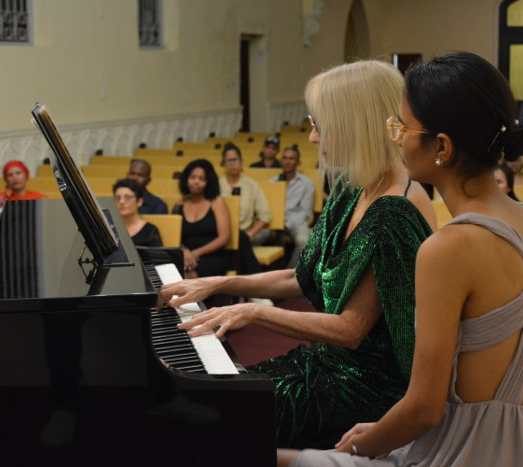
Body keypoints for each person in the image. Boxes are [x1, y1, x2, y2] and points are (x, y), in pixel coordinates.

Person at [284, 52, 523, 466]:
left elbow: (424, 410)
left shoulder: (448, 247)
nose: (395, 139)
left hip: (468, 450)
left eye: (401, 127)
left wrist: (360, 446)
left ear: (442, 147)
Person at [160, 60, 436, 450]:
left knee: (223, 419)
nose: (311, 136)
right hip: (330, 364)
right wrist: (219, 282)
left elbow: (351, 330)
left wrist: (254, 312)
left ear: (353, 126)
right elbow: (300, 276)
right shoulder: (354, 188)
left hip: (364, 386)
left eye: (319, 124)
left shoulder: (394, 209)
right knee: (217, 398)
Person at [218, 142, 271, 276]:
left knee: (241, 238)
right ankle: (256, 282)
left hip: (244, 234)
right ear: (223, 163)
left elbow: (265, 215)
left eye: (235, 160)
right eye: (228, 160)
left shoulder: (251, 185)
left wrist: (251, 234)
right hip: (220, 235)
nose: (232, 164)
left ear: (241, 161)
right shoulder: (217, 185)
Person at [172, 159, 230, 279]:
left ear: (209, 182)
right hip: (185, 255)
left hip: (212, 255)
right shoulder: (179, 205)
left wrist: (195, 254)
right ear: (186, 179)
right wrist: (184, 252)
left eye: (202, 179)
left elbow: (224, 238)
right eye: (192, 177)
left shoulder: (216, 201)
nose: (196, 182)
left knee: (191, 274)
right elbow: (173, 236)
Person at [267, 144, 315, 268]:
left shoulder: (307, 183)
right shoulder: (272, 182)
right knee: (252, 238)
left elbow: (306, 212)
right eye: (285, 158)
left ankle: (289, 272)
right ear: (281, 160)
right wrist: (278, 223)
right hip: (274, 222)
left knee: (304, 241)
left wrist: (286, 223)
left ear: (298, 162)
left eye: (291, 158)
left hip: (297, 222)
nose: (287, 162)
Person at [112, 178, 162, 247]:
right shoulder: (110, 228)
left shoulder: (150, 230)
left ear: (139, 202)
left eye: (127, 197)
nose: (121, 202)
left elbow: (158, 253)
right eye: (118, 198)